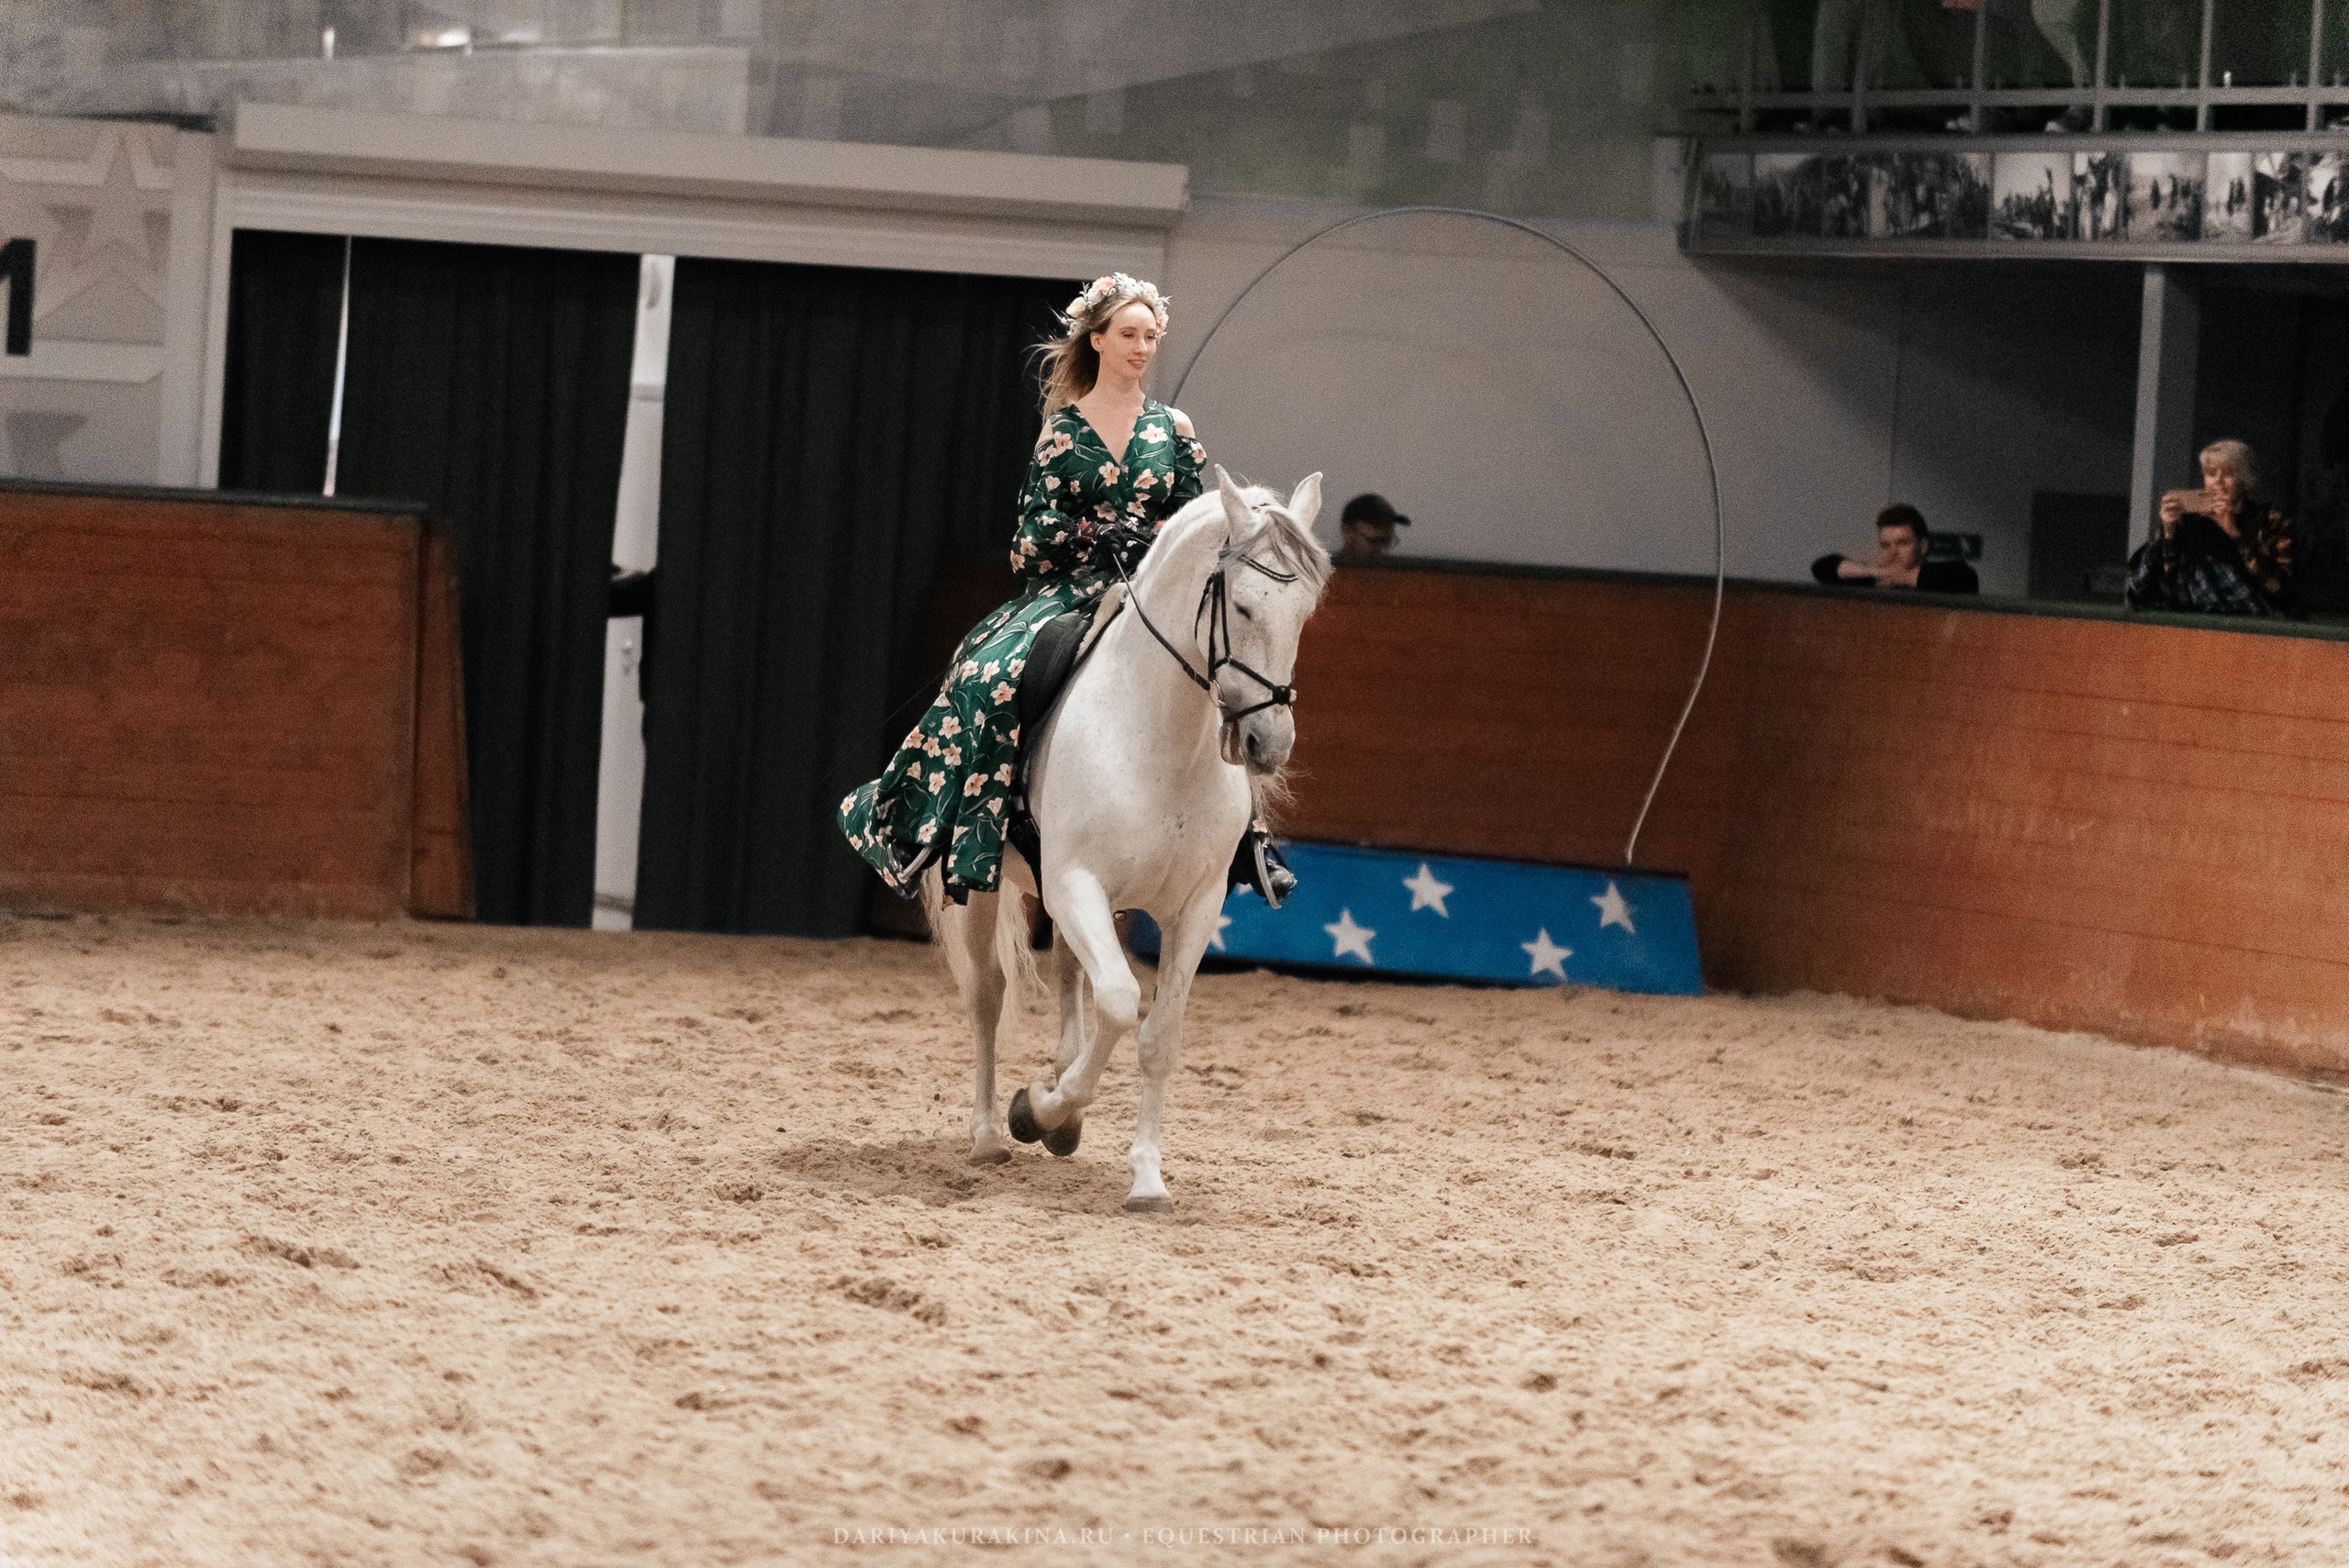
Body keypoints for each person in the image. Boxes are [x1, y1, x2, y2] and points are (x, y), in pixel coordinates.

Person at [837, 272, 1294, 908]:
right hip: (1070, 588)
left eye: (1150, 336)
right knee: (987, 673)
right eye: (1128, 335)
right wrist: (1087, 530)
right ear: (1098, 341)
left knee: (1232, 677)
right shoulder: (1061, 431)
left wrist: (1148, 535)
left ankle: (1249, 841)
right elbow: (1027, 538)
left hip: (1155, 591)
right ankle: (930, 823)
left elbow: (1196, 525)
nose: (1141, 347)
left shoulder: (1176, 429)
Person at [2124, 439, 2295, 617]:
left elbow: (2279, 587)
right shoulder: (2189, 521)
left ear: (2244, 480)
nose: (2218, 481)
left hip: (2253, 614)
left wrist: (2233, 532)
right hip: (2194, 614)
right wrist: (2168, 533)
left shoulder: (2269, 518)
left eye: (2228, 474)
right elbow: (2166, 582)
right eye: (2211, 474)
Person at [1811, 503, 1979, 593]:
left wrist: (1902, 576)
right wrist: (1877, 572)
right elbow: (1823, 567)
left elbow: (1966, 579)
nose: (1893, 552)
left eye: (1903, 543)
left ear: (1922, 546)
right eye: (1885, 545)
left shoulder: (1945, 576)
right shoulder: (1875, 578)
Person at [1337, 493, 1408, 561]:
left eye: (1387, 541)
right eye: (1374, 542)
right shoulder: (1330, 571)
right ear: (1349, 533)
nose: (1383, 550)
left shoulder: (1399, 572)